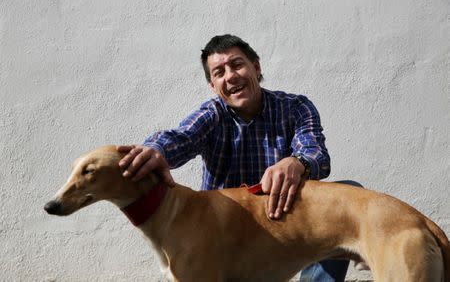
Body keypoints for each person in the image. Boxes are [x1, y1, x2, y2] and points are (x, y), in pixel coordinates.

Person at [118, 34, 351, 281]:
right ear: (213, 86)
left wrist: (298, 163)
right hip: (222, 241)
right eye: (219, 72)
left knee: (348, 194)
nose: (230, 76)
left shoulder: (296, 107)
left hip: (279, 228)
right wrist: (157, 149)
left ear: (256, 67)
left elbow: (316, 154)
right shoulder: (212, 114)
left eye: (237, 64)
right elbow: (181, 137)